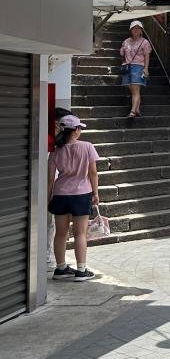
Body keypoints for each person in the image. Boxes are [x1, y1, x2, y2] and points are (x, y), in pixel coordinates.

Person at [47, 114, 100, 282]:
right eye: (80, 128)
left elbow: (50, 178)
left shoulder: (55, 149)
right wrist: (95, 193)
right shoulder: (87, 147)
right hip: (81, 194)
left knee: (60, 234)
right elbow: (93, 172)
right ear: (76, 130)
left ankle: (61, 268)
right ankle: (81, 270)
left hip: (60, 194)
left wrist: (49, 197)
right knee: (80, 234)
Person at [120, 20, 152, 118]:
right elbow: (122, 54)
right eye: (134, 28)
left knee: (135, 90)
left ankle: (133, 112)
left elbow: (147, 56)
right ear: (130, 30)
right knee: (134, 91)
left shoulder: (144, 42)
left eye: (138, 28)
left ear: (141, 30)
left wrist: (146, 68)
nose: (136, 30)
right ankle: (137, 109)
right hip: (127, 67)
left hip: (138, 67)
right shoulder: (126, 41)